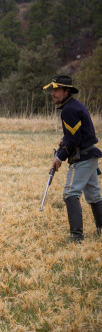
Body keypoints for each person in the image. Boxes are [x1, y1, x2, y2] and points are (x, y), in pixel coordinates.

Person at [47, 75, 102, 243]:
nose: (53, 93)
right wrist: (65, 140)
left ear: (66, 91)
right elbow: (75, 135)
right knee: (94, 195)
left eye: (57, 90)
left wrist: (59, 157)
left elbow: (75, 140)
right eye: (52, 90)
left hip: (83, 157)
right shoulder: (73, 106)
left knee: (70, 194)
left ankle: (76, 237)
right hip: (90, 155)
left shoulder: (68, 110)